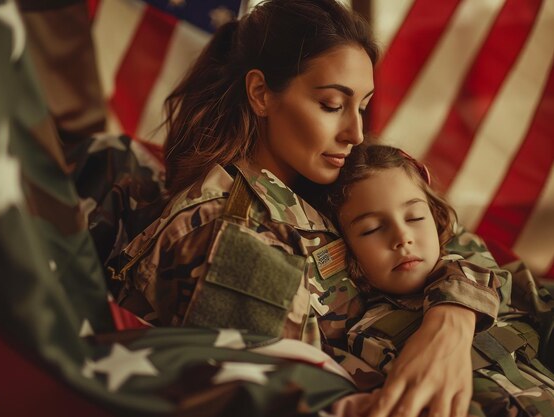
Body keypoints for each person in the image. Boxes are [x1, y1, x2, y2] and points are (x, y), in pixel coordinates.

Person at [110, 1, 499, 416]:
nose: (356, 132)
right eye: (332, 105)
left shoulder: (324, 179)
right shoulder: (229, 236)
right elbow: (295, 396)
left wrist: (450, 320)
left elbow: (455, 238)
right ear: (261, 94)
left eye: (362, 106)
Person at [323, 143, 554, 416]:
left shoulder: (495, 281)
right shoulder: (359, 335)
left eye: (415, 217)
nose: (402, 238)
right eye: (372, 229)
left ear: (437, 219)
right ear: (346, 249)